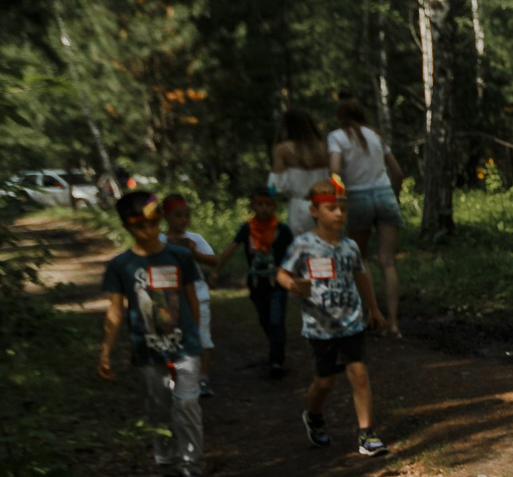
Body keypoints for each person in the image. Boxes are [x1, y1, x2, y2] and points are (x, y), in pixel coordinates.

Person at [96, 189, 206, 477]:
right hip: (147, 350)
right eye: (141, 224)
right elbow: (115, 311)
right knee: (159, 411)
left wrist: (196, 338)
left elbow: (191, 299)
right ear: (127, 225)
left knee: (187, 405)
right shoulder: (121, 265)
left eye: (155, 221)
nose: (150, 230)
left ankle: (193, 473)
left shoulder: (180, 256)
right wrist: (105, 351)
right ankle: (170, 473)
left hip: (184, 346)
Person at [277, 180, 388, 458]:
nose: (339, 214)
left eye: (342, 209)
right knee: (324, 383)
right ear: (314, 211)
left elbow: (362, 276)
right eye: (331, 208)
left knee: (360, 375)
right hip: (319, 328)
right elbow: (282, 273)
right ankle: (313, 415)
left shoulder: (350, 247)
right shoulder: (303, 245)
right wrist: (291, 285)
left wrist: (373, 309)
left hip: (351, 322)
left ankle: (366, 434)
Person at [328, 91, 405, 331]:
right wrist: (396, 196)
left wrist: (339, 201)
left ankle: (373, 312)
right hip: (385, 195)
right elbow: (399, 172)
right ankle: (393, 322)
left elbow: (335, 173)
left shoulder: (336, 137)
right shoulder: (377, 136)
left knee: (361, 259)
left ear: (339, 116)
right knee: (388, 262)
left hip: (358, 198)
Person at [214, 184, 293, 378]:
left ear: (274, 206)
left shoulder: (282, 230)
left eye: (268, 204)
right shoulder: (247, 229)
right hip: (257, 284)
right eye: (259, 204)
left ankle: (277, 361)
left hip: (278, 283)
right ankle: (274, 347)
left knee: (276, 320)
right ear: (252, 206)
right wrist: (216, 269)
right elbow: (231, 248)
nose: (263, 208)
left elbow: (298, 251)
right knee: (265, 318)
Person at [159, 193, 217, 397]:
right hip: (168, 298)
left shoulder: (195, 239)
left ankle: (202, 378)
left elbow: (213, 261)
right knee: (170, 336)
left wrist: (195, 253)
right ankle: (174, 375)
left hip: (198, 295)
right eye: (177, 215)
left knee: (202, 336)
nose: (183, 220)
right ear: (165, 217)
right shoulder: (158, 240)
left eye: (186, 215)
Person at [270, 105, 332, 236]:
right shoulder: (326, 146)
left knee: (302, 249)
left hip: (300, 207)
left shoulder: (283, 150)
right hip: (327, 203)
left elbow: (275, 185)